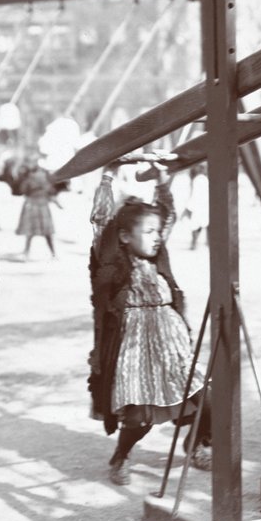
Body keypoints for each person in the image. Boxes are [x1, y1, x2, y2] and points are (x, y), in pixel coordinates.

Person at [90, 197, 211, 485]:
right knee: (139, 416)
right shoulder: (113, 266)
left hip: (172, 346)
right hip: (136, 350)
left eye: (158, 232)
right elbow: (100, 228)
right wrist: (108, 176)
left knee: (206, 401)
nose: (157, 238)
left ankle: (195, 444)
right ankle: (121, 456)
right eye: (149, 232)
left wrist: (162, 182)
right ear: (124, 236)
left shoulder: (158, 259)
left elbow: (167, 216)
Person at [14, 155, 58, 259]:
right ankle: (53, 254)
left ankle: (26, 253)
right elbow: (50, 192)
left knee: (29, 231)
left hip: (31, 204)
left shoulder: (29, 178)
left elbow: (22, 190)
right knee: (47, 231)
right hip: (43, 205)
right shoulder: (46, 178)